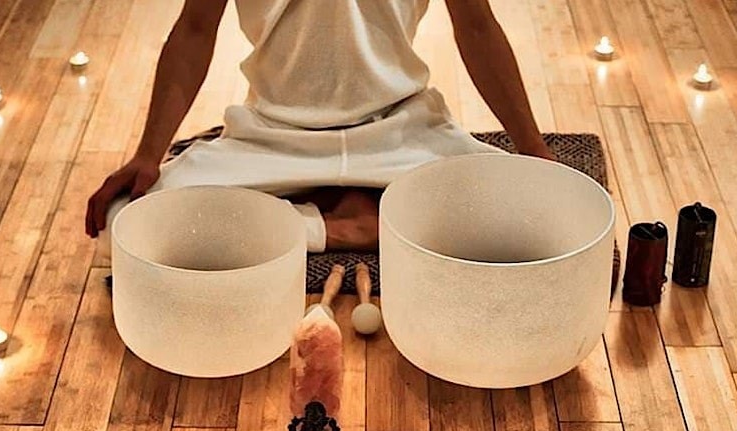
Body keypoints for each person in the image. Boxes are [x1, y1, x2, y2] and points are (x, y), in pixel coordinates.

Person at [85, 0, 551, 252]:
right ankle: (352, 224)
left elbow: (477, 27)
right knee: (125, 224)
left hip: (401, 129)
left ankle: (320, 216)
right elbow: (194, 29)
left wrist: (533, 149)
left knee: (538, 216)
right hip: (274, 137)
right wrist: (148, 155)